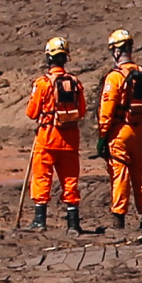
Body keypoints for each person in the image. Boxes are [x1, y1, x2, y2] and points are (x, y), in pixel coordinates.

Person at [25, 37, 87, 234]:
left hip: (47, 138)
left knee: (42, 178)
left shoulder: (42, 83)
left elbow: (32, 113)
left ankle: (40, 221)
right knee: (70, 181)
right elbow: (82, 110)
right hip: (70, 140)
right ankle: (73, 224)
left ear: (48, 58)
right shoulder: (76, 83)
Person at [96, 29, 142, 230]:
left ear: (115, 51)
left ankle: (118, 219)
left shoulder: (115, 78)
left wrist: (103, 137)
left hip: (120, 133)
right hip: (139, 133)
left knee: (119, 174)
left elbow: (106, 112)